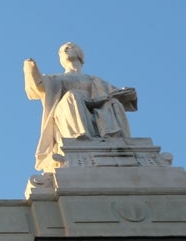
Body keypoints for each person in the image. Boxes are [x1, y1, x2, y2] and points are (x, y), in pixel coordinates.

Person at [23, 42, 137, 171]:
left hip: (94, 108)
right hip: (67, 110)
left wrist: (127, 92)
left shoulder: (94, 80)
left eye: (71, 47)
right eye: (63, 50)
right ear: (61, 58)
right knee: (72, 96)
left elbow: (117, 95)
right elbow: (36, 86)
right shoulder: (55, 78)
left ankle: (113, 139)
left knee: (112, 103)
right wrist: (30, 67)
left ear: (80, 54)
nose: (67, 49)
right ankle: (79, 138)